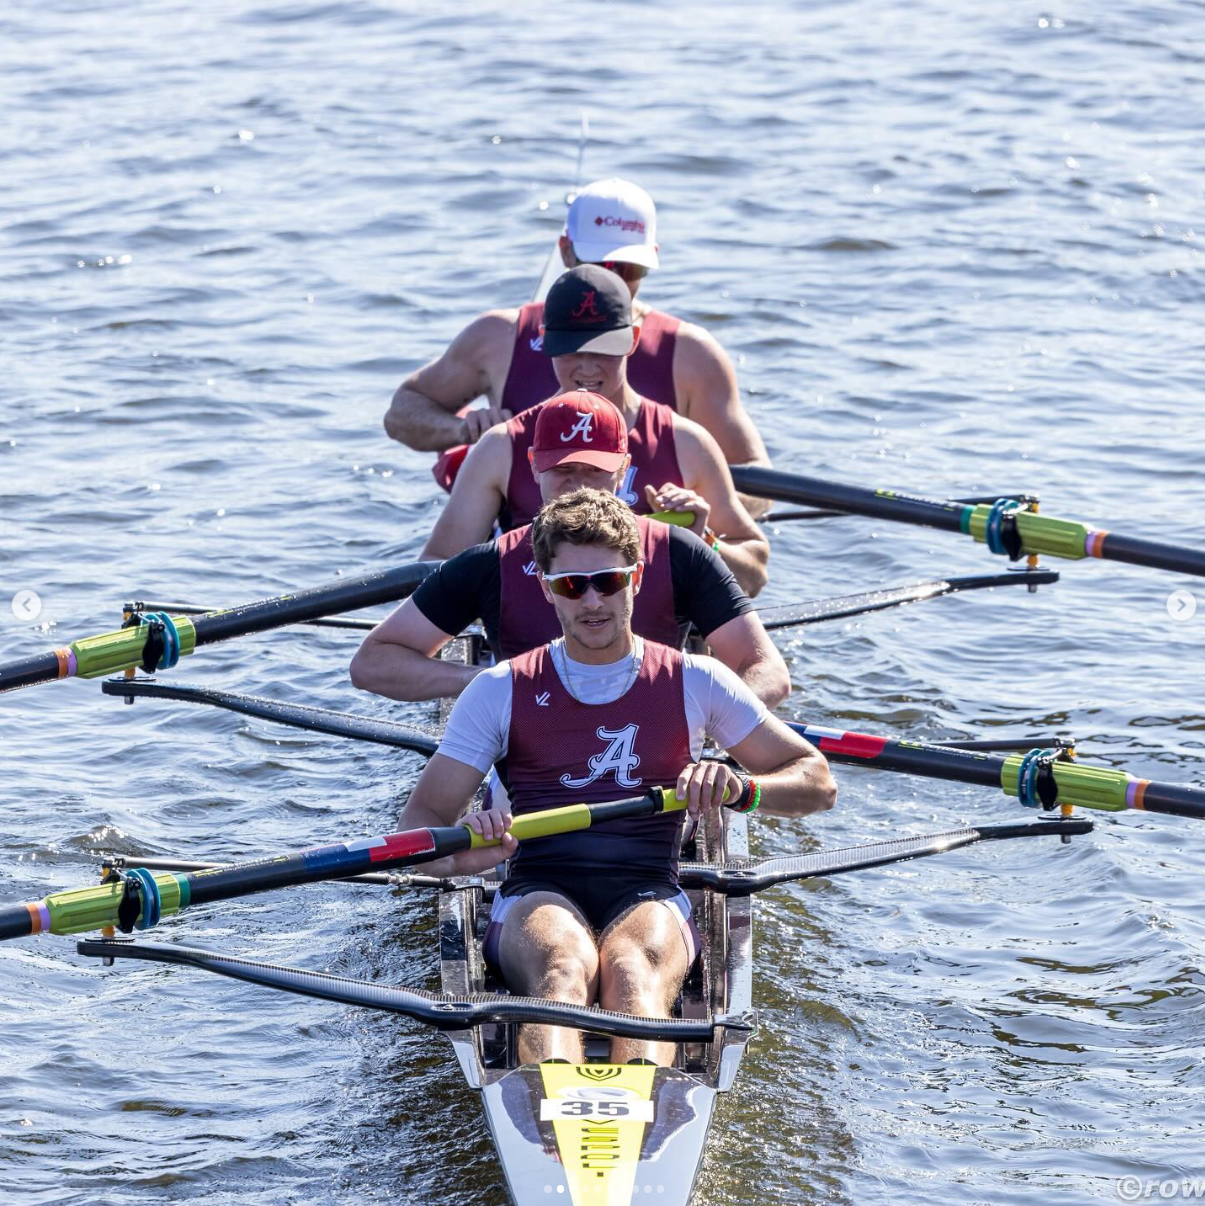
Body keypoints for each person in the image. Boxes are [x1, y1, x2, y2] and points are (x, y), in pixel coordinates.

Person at [396, 490, 836, 1065]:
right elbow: (418, 828)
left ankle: (640, 1131)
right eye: (572, 585)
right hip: (536, 887)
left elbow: (816, 780)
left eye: (608, 580)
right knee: (563, 970)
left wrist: (741, 789)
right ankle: (553, 1126)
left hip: (651, 885)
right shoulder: (498, 688)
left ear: (637, 577)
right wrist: (463, 859)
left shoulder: (697, 680)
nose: (593, 600)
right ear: (547, 588)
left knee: (631, 973)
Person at [350, 399, 790, 702]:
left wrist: (706, 714)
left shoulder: (679, 552)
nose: (576, 483)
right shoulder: (490, 564)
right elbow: (371, 663)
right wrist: (491, 683)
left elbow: (768, 670)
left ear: (622, 471)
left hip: (655, 749)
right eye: (561, 468)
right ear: (532, 466)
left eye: (593, 469)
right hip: (531, 752)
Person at [383, 177, 771, 514]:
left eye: (627, 269)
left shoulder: (691, 354)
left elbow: (761, 488)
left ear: (652, 260)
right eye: (597, 263)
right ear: (565, 251)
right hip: (525, 552)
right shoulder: (498, 337)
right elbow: (401, 414)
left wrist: (700, 495)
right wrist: (461, 430)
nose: (609, 280)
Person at [419, 271, 770, 597]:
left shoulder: (687, 443)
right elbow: (432, 570)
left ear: (633, 339)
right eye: (572, 350)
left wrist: (704, 542)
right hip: (529, 654)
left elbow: (754, 574)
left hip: (653, 654)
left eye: (603, 349)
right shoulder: (501, 446)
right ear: (544, 340)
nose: (587, 367)